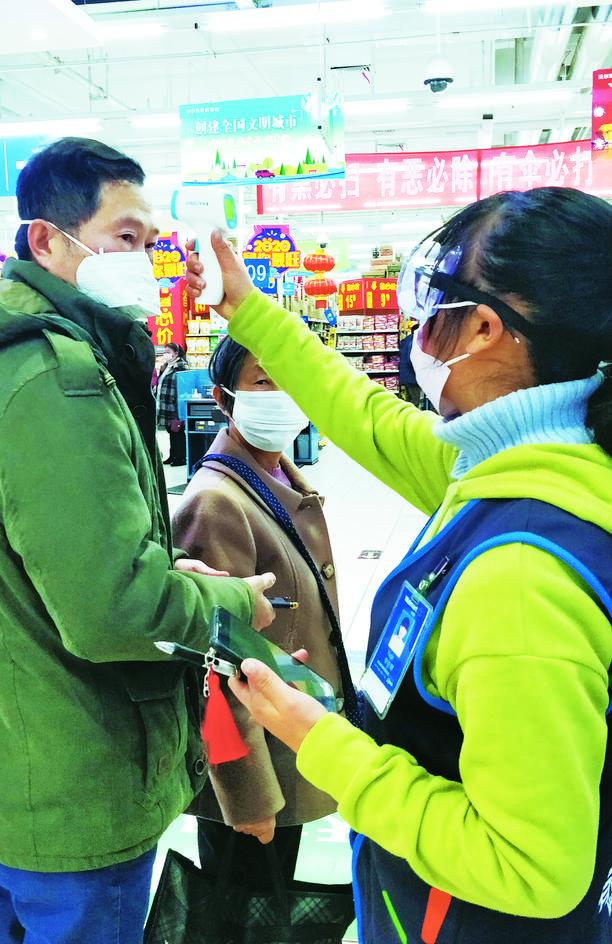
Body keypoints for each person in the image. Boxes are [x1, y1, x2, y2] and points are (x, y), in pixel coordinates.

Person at [184, 186, 612, 943]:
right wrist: (247, 309)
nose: (419, 326)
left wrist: (324, 743)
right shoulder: (526, 465)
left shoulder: (520, 580)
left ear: (485, 328)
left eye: (434, 300)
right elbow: (364, 413)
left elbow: (534, 868)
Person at [0, 136, 276, 944]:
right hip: (76, 782)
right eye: (125, 237)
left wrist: (151, 562)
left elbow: (40, 563)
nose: (144, 261)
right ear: (46, 240)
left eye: (150, 241)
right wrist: (229, 600)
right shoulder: (57, 382)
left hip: (9, 762)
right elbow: (115, 611)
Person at [171, 334, 350, 887]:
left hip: (288, 739)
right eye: (263, 380)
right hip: (256, 771)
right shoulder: (217, 502)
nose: (282, 393)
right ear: (223, 399)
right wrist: (248, 795)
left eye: (290, 377)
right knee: (243, 908)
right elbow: (214, 668)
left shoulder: (277, 479)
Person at [155, 341, 189, 466]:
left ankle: (181, 457)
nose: (165, 354)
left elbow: (183, 386)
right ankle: (173, 455)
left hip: (175, 405)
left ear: (175, 354)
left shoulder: (181, 367)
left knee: (177, 431)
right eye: (164, 352)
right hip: (165, 404)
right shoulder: (165, 367)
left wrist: (179, 403)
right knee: (171, 431)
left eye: (168, 352)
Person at [398, 324, 423, 407]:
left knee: (409, 400)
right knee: (415, 401)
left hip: (406, 375)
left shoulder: (406, 340)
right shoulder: (414, 342)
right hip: (412, 376)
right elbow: (411, 359)